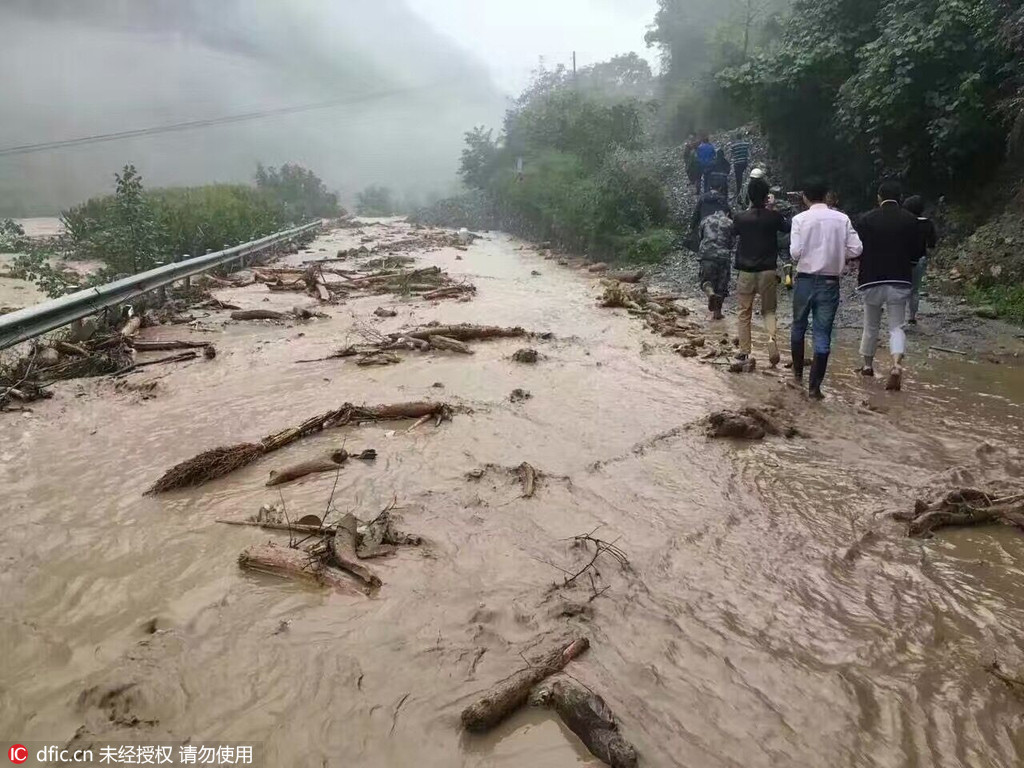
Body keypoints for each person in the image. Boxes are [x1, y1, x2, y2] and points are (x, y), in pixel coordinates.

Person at [790, 178, 863, 399]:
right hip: (830, 282)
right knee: (823, 334)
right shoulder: (842, 219)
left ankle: (797, 375)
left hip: (805, 279)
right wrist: (838, 254)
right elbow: (857, 248)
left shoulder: (799, 219)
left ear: (805, 197)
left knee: (798, 326)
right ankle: (814, 388)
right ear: (826, 196)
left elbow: (795, 253)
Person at [854, 180, 922, 391]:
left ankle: (867, 366)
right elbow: (917, 253)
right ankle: (895, 365)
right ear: (900, 197)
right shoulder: (911, 220)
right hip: (899, 279)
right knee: (896, 326)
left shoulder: (865, 219)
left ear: (879, 197)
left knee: (870, 324)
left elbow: (858, 248)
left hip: (871, 279)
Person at [732, 181, 791, 366]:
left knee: (744, 312)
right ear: (767, 196)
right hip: (767, 271)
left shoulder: (741, 218)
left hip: (746, 272)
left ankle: (744, 351)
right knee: (769, 311)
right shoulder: (773, 217)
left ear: (748, 196)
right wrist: (772, 208)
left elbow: (732, 233)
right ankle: (772, 341)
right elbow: (788, 227)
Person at [903, 195, 937, 324]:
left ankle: (899, 318)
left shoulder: (904, 222)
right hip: (920, 259)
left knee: (901, 288)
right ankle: (912, 317)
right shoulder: (928, 224)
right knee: (915, 290)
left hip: (903, 259)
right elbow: (932, 244)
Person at [699, 206, 735, 320]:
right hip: (723, 256)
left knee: (706, 281)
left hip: (707, 255)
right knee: (722, 286)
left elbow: (700, 236)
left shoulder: (706, 220)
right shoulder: (730, 222)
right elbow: (733, 241)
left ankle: (710, 292)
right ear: (727, 213)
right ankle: (717, 313)